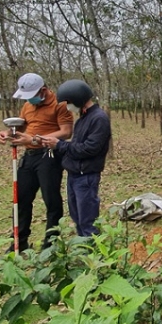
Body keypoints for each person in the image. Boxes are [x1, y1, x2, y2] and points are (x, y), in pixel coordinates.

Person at [0, 73, 73, 252]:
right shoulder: (27, 106)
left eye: (32, 95)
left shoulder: (60, 104)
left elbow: (66, 132)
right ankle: (19, 241)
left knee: (51, 200)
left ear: (43, 90)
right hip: (29, 156)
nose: (30, 99)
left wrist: (35, 138)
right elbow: (21, 128)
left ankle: (51, 244)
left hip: (49, 156)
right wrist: (6, 134)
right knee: (21, 198)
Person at [40, 80, 111, 238]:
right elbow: (77, 145)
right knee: (77, 217)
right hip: (74, 174)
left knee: (87, 220)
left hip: (86, 176)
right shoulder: (83, 119)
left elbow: (89, 149)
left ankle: (93, 255)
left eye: (68, 102)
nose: (67, 107)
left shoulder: (99, 119)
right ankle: (84, 250)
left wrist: (60, 145)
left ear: (78, 99)